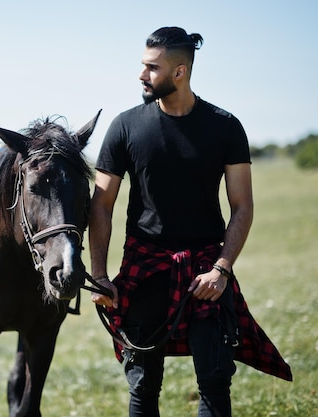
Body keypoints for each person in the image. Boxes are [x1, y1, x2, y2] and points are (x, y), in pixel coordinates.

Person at [88, 27, 292, 417]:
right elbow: (101, 204)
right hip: (145, 266)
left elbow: (243, 206)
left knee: (215, 382)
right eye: (143, 66)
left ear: (179, 72)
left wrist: (223, 269)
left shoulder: (225, 126)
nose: (141, 75)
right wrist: (99, 273)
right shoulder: (125, 126)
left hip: (206, 270)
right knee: (143, 386)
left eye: (152, 67)